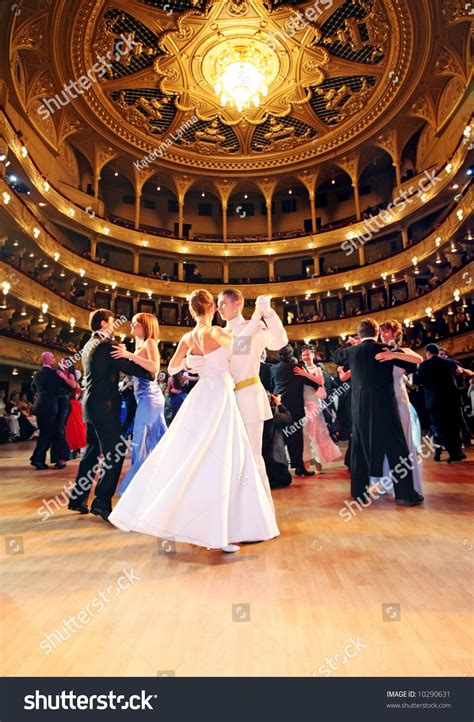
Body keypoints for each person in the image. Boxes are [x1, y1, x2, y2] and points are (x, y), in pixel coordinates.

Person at [109, 289, 279, 553]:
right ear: (211, 308)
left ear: (191, 311)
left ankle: (202, 525)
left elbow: (172, 369)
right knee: (226, 456)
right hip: (221, 394)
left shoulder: (188, 337)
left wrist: (194, 364)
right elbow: (242, 348)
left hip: (200, 396)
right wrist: (257, 316)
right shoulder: (215, 333)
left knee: (197, 454)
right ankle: (219, 532)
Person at [67, 309, 153, 519]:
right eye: (113, 323)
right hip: (104, 406)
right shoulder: (108, 345)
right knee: (115, 452)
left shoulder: (88, 345)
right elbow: (130, 367)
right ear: (105, 324)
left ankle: (77, 499)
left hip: (89, 404)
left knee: (91, 453)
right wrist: (149, 372)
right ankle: (101, 502)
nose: (115, 327)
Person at [332, 319, 424, 506]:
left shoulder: (351, 351)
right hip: (385, 406)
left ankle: (359, 493)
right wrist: (393, 355)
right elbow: (414, 365)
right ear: (376, 331)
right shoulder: (386, 350)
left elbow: (335, 357)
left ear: (359, 334)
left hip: (360, 408)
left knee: (359, 449)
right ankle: (405, 494)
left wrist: (348, 343)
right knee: (397, 449)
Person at [209, 289, 288, 506]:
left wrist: (269, 314)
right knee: (229, 457)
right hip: (226, 400)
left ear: (238, 303)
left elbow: (278, 342)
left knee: (252, 455)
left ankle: (260, 509)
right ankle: (236, 508)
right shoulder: (219, 332)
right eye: (218, 303)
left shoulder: (252, 328)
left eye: (223, 302)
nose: (219, 308)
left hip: (248, 395)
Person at [110, 313, 166, 494]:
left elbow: (154, 369)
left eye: (135, 324)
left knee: (140, 440)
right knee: (155, 439)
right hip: (145, 398)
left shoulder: (149, 342)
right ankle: (155, 483)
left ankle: (136, 488)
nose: (131, 326)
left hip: (150, 398)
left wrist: (128, 355)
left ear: (145, 326)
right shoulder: (141, 344)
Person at [373, 321, 424, 494]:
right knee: (385, 440)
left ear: (395, 333)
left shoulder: (402, 351)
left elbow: (419, 359)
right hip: (382, 401)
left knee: (404, 439)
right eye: (381, 332)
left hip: (400, 399)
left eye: (386, 331)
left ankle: (407, 484)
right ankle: (388, 484)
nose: (382, 334)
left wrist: (394, 355)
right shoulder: (377, 352)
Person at [270, 345, 320, 477]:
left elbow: (272, 385)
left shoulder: (274, 368)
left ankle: (282, 469)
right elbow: (312, 383)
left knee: (279, 439)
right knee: (296, 440)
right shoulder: (297, 367)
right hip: (295, 408)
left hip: (279, 407)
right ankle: (299, 467)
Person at [414, 343, 465, 463]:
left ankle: (454, 454)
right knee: (455, 427)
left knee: (440, 428)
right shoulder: (450, 362)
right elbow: (458, 377)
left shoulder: (425, 365)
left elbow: (418, 380)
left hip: (435, 401)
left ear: (428, 352)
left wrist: (414, 374)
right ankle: (459, 452)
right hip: (453, 399)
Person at [298, 346, 342, 472]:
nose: (305, 357)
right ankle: (305, 463)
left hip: (314, 403)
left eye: (307, 354)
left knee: (317, 433)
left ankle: (319, 464)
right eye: (303, 355)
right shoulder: (299, 369)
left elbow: (320, 381)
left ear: (313, 355)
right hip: (302, 404)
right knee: (304, 435)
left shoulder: (316, 368)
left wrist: (305, 374)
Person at [30, 352, 64, 470]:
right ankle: (37, 459)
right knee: (47, 434)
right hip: (50, 406)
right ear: (49, 360)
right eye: (53, 358)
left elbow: (33, 388)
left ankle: (37, 458)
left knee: (44, 433)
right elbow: (60, 387)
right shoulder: (54, 373)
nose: (54, 360)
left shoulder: (37, 374)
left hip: (39, 405)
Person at [262, 392, 293, 489]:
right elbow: (288, 419)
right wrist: (279, 403)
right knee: (286, 480)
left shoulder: (253, 413)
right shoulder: (272, 411)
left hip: (263, 463)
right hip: (276, 462)